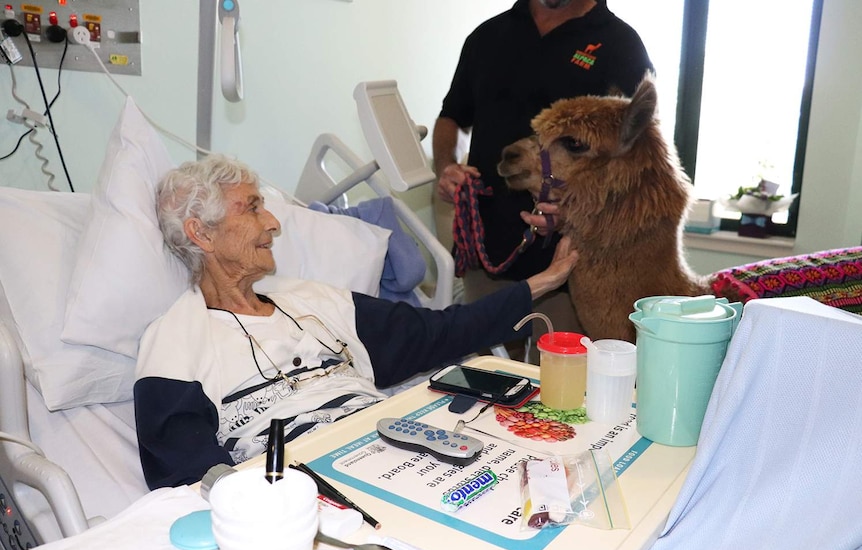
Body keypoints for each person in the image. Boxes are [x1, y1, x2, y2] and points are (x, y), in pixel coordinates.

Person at [133, 154, 578, 490]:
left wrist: (543, 282)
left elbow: (439, 332)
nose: (273, 223)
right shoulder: (173, 340)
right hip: (309, 490)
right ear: (201, 233)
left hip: (406, 452)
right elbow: (191, 475)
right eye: (251, 208)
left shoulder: (316, 301)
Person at [433, 0, 653, 362]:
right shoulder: (488, 37)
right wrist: (446, 167)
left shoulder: (619, 45)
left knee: (558, 390)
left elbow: (640, 156)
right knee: (487, 381)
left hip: (571, 257)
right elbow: (452, 116)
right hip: (489, 247)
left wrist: (581, 213)